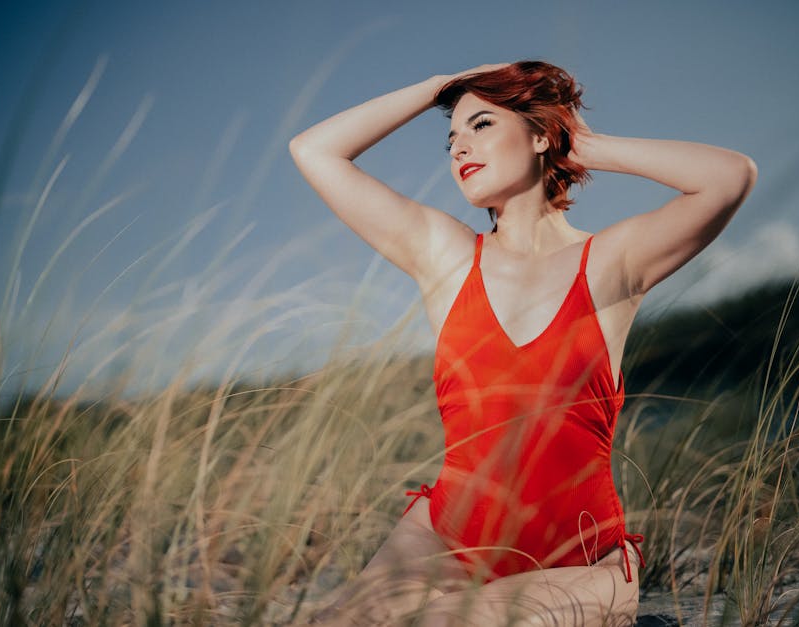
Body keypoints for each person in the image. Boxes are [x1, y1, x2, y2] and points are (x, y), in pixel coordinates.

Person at [288, 61, 756, 626]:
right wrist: (442, 85)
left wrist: (584, 144)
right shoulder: (446, 256)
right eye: (451, 138)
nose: (460, 147)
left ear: (539, 135)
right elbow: (314, 151)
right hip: (445, 541)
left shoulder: (612, 261)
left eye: (481, 125)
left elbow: (729, 175)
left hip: (582, 562)